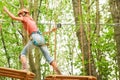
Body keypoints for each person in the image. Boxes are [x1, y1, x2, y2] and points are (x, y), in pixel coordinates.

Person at [3, 6, 62, 75]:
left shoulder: (25, 19)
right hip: (41, 39)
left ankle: (25, 69)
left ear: (24, 14)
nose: (20, 16)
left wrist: (6, 10)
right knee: (49, 59)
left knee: (23, 54)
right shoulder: (32, 21)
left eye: (20, 14)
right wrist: (52, 30)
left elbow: (13, 17)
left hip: (35, 37)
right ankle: (59, 73)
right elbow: (42, 33)